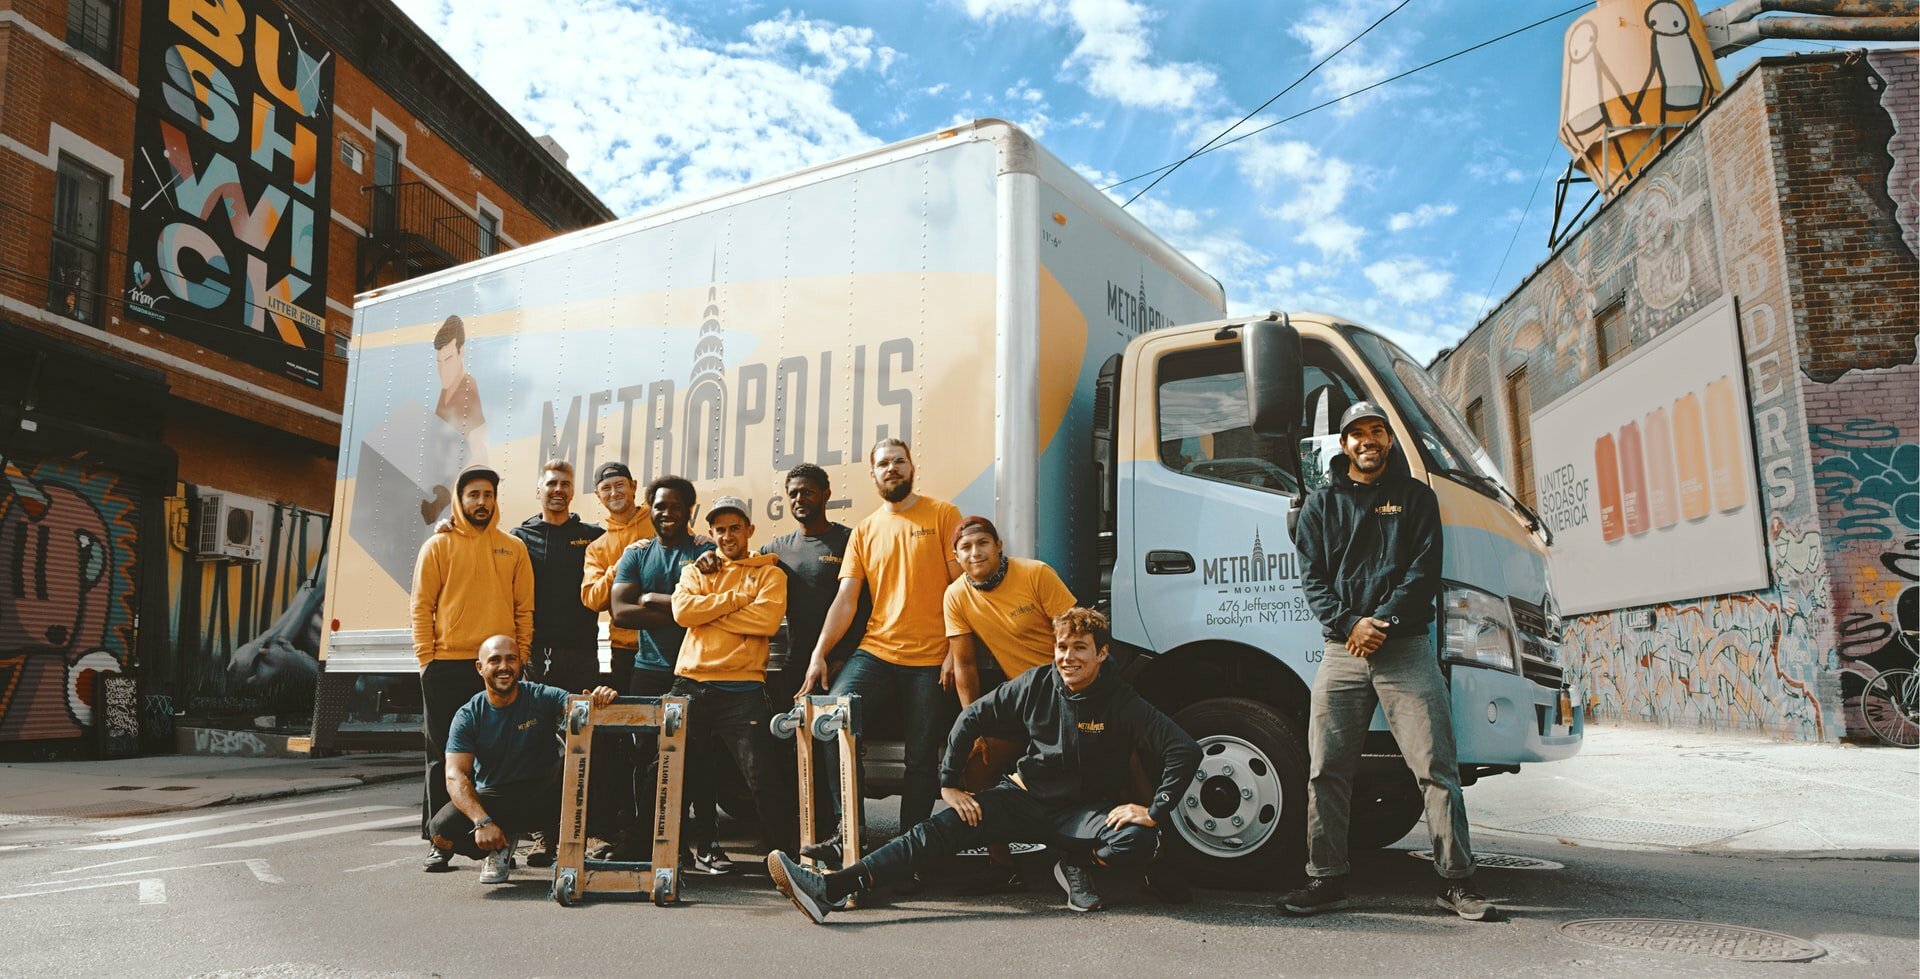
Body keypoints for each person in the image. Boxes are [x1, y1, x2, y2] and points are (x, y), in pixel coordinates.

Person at [767, 608, 1201, 922]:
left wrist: (1154, 810)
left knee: (1136, 841)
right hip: (1022, 799)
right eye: (1062, 647)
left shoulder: (1122, 701)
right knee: (934, 832)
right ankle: (832, 889)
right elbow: (971, 717)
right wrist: (950, 785)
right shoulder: (1036, 683)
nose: (1068, 657)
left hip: (1080, 814)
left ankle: (1076, 860)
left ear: (1102, 654)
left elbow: (1184, 749)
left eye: (1080, 649)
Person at [1279, 401, 1493, 921]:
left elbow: (1423, 571)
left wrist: (1384, 624)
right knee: (1326, 770)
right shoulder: (1320, 506)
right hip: (1342, 650)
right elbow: (1312, 580)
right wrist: (1352, 624)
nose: (1367, 441)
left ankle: (1455, 881)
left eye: (1377, 431)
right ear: (1344, 444)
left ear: (1389, 441)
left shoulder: (1417, 499)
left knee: (1436, 768)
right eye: (1357, 433)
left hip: (1406, 649)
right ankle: (1325, 879)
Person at [796, 439, 963, 891]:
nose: (891, 469)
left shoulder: (943, 515)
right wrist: (819, 653)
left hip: (931, 656)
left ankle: (910, 851)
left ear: (912, 467)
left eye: (899, 461)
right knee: (829, 718)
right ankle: (847, 834)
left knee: (922, 758)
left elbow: (960, 588)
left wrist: (955, 649)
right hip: (879, 651)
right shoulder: (866, 531)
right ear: (872, 475)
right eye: (883, 464)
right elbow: (846, 599)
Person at [940, 514, 1075, 893]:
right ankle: (1002, 865)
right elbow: (964, 667)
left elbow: (1074, 636)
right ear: (957, 556)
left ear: (999, 546)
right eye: (965, 547)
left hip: (1066, 691)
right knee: (976, 763)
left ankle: (1148, 857)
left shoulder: (1036, 574)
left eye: (983, 543)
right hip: (1022, 702)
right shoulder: (956, 595)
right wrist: (975, 727)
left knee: (1113, 761)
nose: (975, 552)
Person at [410, 463, 532, 872]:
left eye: (488, 495)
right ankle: (439, 841)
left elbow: (524, 609)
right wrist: (427, 660)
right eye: (473, 495)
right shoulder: (438, 546)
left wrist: (522, 656)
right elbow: (421, 606)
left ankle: (497, 838)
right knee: (441, 753)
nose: (482, 502)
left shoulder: (512, 547)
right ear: (460, 500)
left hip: (497, 667)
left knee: (495, 756)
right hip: (445, 664)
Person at [430, 635, 618, 885]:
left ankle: (589, 835)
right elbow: (455, 775)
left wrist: (598, 698)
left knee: (590, 743)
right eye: (495, 660)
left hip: (545, 794)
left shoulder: (541, 695)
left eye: (511, 659)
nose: (504, 667)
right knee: (440, 831)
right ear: (480, 668)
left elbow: (578, 708)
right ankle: (498, 846)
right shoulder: (468, 715)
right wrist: (482, 822)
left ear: (521, 663)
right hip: (496, 800)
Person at [669, 495, 797, 857]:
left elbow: (767, 621)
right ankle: (700, 850)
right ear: (711, 533)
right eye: (720, 530)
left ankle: (779, 857)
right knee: (690, 773)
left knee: (761, 774)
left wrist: (709, 612)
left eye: (735, 528)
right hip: (691, 682)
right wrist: (738, 599)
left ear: (750, 530)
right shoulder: (696, 569)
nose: (728, 536)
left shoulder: (770, 573)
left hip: (743, 687)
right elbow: (682, 611)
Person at [608, 475, 719, 867]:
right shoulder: (637, 554)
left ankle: (704, 843)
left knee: (699, 756)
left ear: (690, 510)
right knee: (643, 757)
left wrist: (653, 600)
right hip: (649, 669)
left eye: (675, 506)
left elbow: (715, 605)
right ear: (650, 509)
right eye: (659, 506)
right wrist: (684, 611)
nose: (666, 513)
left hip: (697, 670)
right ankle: (643, 839)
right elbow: (620, 612)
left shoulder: (707, 550)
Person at [759, 463, 869, 707]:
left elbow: (866, 606)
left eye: (807, 492)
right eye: (793, 494)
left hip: (842, 664)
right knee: (792, 739)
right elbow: (739, 567)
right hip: (795, 665)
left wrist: (842, 658)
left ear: (826, 494)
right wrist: (707, 548)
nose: (800, 499)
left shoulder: (849, 541)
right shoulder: (776, 550)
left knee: (836, 738)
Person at [510, 460, 604, 696]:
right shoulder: (519, 538)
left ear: (572, 491)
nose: (558, 489)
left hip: (583, 654)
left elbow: (632, 542)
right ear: (538, 490)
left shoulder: (594, 536)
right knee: (538, 728)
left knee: (580, 726)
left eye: (565, 484)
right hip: (538, 655)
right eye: (551, 483)